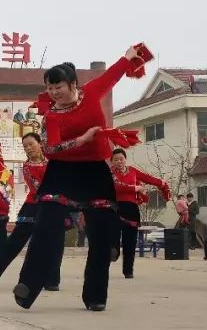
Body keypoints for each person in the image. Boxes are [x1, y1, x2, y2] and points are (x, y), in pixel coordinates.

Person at [13, 45, 144, 311]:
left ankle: (95, 296)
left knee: (101, 231)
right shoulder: (52, 115)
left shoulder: (93, 91)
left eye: (58, 86)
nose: (53, 93)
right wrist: (82, 139)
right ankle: (28, 285)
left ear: (72, 84)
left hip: (95, 170)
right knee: (47, 224)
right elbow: (50, 149)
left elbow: (115, 74)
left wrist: (128, 57)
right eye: (49, 88)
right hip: (62, 171)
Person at [0, 132, 61, 290]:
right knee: (17, 237)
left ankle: (52, 280)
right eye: (25, 146)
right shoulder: (27, 166)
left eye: (31, 144)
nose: (28, 148)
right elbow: (37, 187)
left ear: (40, 144)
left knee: (54, 242)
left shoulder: (54, 161)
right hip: (34, 205)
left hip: (55, 205)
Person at [109, 148, 170, 279]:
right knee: (113, 233)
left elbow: (147, 178)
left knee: (130, 241)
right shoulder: (110, 173)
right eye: (115, 159)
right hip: (115, 207)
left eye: (121, 159)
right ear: (112, 162)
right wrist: (135, 188)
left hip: (131, 209)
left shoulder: (133, 171)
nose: (119, 161)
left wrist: (161, 183)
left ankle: (128, 270)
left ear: (125, 160)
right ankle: (113, 251)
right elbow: (116, 186)